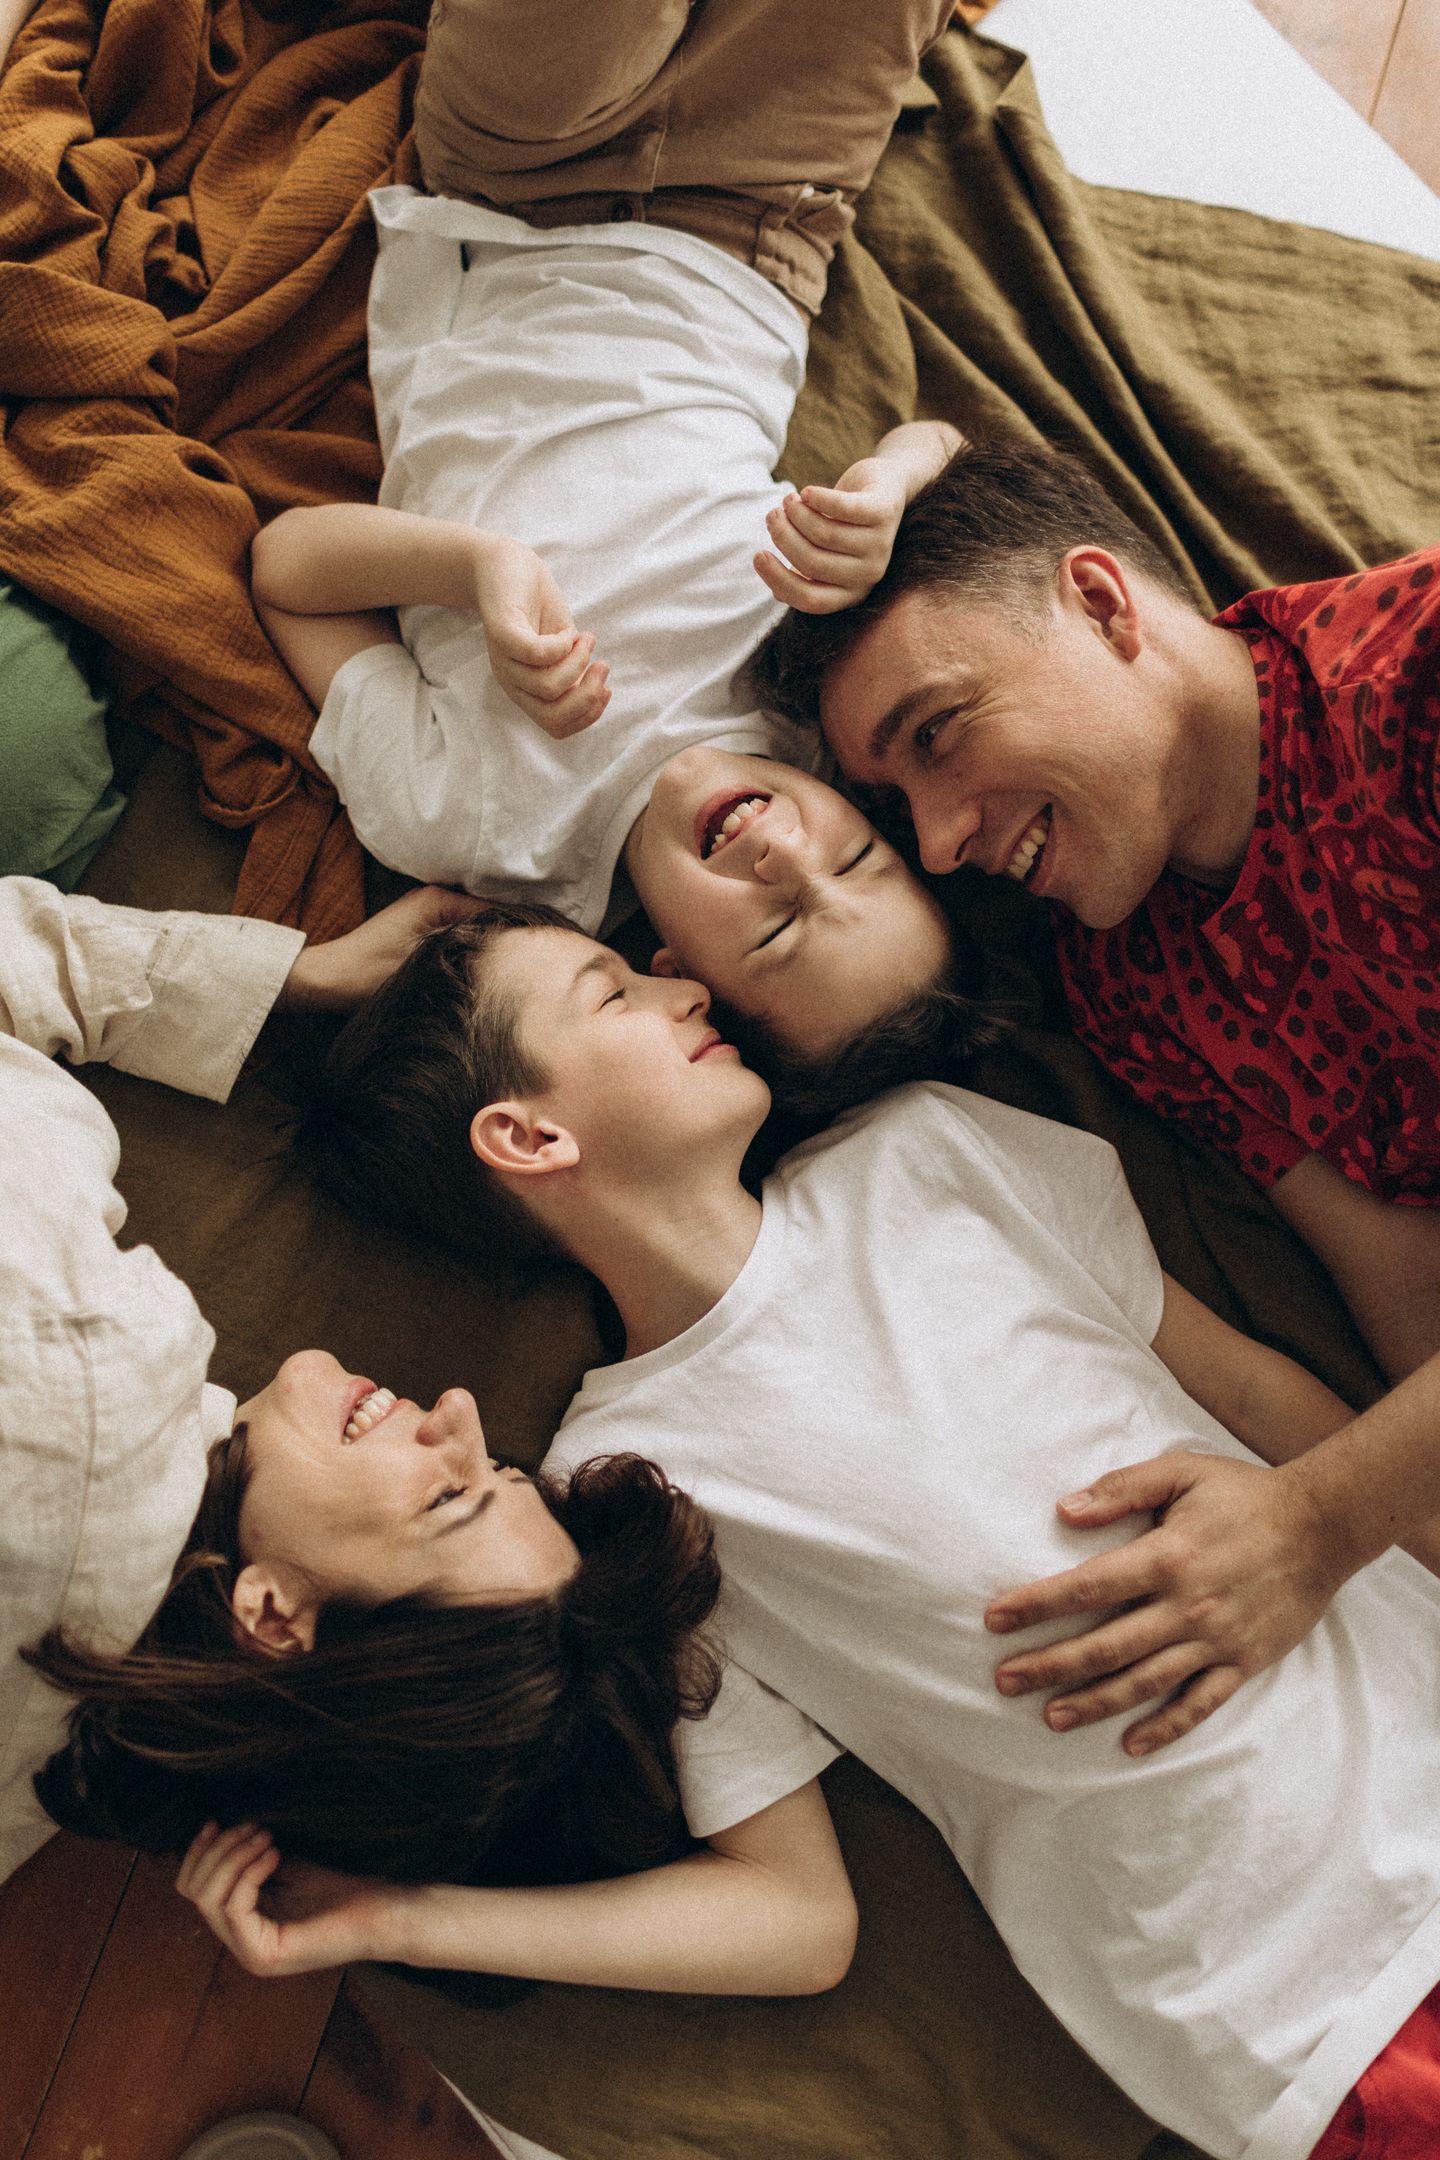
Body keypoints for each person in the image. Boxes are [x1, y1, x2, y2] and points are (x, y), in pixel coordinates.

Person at [45, 907, 1440, 2160]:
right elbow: (796, 1918)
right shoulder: (608, 1501)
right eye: (612, 993)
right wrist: (393, 1921)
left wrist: (1335, 1521)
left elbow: (1248, 1391)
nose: (681, 985)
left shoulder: (930, 1146)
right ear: (528, 1137)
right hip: (1296, 2004)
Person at [749, 434, 1440, 1748]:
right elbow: (1406, 1283)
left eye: (938, 735)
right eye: (900, 800)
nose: (940, 840)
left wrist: (1319, 1521)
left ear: (1103, 603)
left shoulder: (1414, 678)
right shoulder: (1134, 986)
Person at [252, 0, 987, 1086]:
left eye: (779, 928)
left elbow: (287, 569)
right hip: (760, 231)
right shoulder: (828, 702)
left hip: (515, 197)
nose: (785, 852)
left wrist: (478, 567)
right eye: (855, 856)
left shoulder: (477, 826)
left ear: (679, 980)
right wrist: (891, 488)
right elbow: (948, 447)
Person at [0, 871, 482, 1882]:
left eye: (451, 1497)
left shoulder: (89, 1372)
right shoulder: (32, 1795)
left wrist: (298, 976)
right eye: (502, 1469)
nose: (461, 1411)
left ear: (270, 1617)